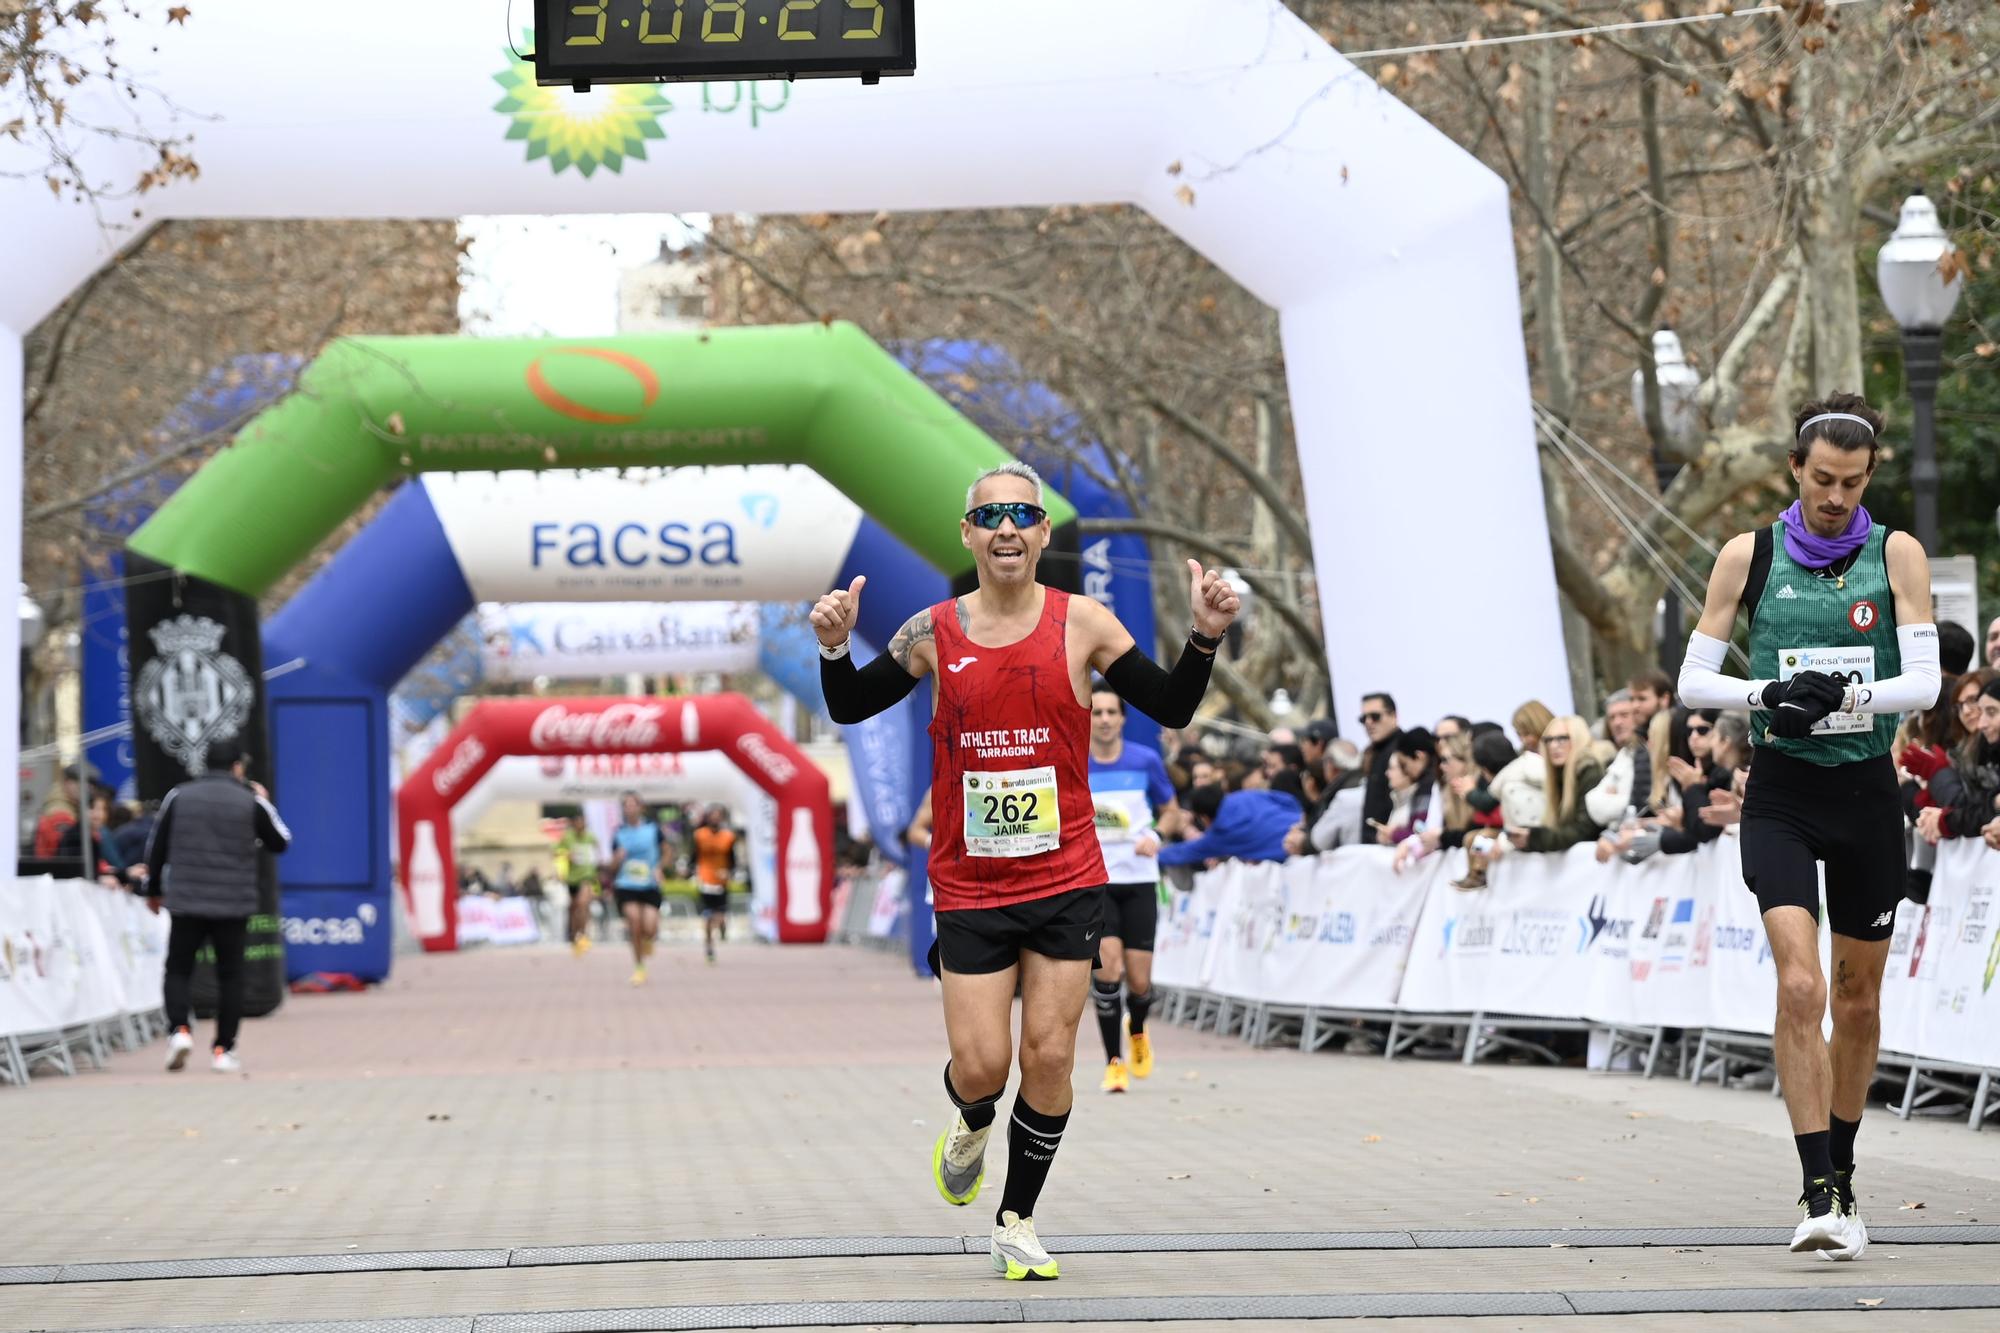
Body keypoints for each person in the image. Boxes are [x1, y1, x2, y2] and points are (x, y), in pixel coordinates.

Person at [812, 460, 1235, 1282]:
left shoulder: (1084, 622)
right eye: (991, 515)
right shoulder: (933, 630)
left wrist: (1205, 635)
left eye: (1023, 515)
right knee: (984, 1068)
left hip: (1067, 873)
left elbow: (1172, 705)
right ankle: (970, 1121)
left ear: (1043, 533)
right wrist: (833, 647)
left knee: (1048, 1055)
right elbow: (851, 705)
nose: (1007, 527)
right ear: (968, 534)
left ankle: (1016, 1217)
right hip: (970, 884)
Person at [1677, 393, 1941, 1260]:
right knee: (1801, 987)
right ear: (1795, 469)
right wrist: (1770, 696)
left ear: (1871, 476)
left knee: (1858, 1000)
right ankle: (1817, 1188)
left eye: (1851, 482)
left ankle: (1847, 1163)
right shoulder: (1747, 555)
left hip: (1867, 793)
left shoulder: (1894, 551)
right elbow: (1692, 681)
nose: (1835, 496)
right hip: (1783, 793)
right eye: (1821, 479)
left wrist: (1850, 694)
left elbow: (1928, 684)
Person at [144, 741, 290, 1074]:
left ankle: (179, 1030)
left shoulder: (179, 796)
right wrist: (265, 803)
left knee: (178, 969)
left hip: (186, 900)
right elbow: (281, 841)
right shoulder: (250, 800)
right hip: (232, 904)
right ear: (237, 766)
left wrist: (153, 890)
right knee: (231, 976)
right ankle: (224, 1049)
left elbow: (157, 846)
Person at [1084, 685, 1180, 1094]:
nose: (1104, 719)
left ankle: (1137, 1028)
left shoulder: (1145, 760)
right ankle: (1114, 1062)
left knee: (1140, 982)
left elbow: (1172, 812)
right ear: (1087, 717)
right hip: (1096, 881)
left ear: (1122, 719)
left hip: (1140, 879)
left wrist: (1157, 836)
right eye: (1097, 712)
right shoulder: (1073, 761)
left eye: (1111, 713)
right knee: (1108, 969)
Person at [1505, 714, 1605, 854]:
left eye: (1562, 739)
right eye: (1549, 740)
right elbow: (1561, 829)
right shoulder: (1558, 776)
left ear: (1578, 739)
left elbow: (1584, 831)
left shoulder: (1590, 771)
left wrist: (1534, 838)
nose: (1553, 745)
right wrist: (1528, 835)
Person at [608, 792, 666, 986]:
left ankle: (648, 940)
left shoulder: (653, 829)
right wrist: (616, 860)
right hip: (626, 884)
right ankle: (639, 968)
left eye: (633, 805)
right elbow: (612, 866)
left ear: (641, 807)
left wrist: (659, 867)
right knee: (634, 923)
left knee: (649, 928)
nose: (630, 808)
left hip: (649, 884)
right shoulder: (619, 833)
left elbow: (667, 852)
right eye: (626, 805)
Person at [692, 805, 738, 965]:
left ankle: (722, 926)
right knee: (708, 916)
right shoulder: (700, 835)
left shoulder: (728, 837)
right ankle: (709, 945)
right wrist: (691, 870)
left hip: (721, 880)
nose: (715, 818)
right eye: (713, 815)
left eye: (718, 815)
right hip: (705, 878)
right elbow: (694, 856)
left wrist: (729, 872)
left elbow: (733, 860)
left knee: (719, 915)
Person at [1355, 693, 1403, 844]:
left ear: (1393, 715)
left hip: (1394, 844)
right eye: (1363, 719)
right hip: (1374, 846)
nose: (1369, 722)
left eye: (1375, 716)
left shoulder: (1403, 749)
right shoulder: (1373, 753)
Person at [555, 813, 601, 957]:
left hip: (587, 877)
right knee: (575, 908)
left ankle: (583, 934)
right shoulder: (567, 837)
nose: (581, 825)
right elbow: (556, 852)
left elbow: (597, 853)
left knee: (583, 903)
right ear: (573, 824)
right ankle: (575, 934)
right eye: (578, 822)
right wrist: (566, 856)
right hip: (572, 879)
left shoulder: (590, 837)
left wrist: (598, 875)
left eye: (583, 822)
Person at [33, 761, 96, 859]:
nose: (87, 789)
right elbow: (69, 852)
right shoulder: (61, 813)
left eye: (90, 785)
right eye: (81, 783)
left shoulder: (71, 806)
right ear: (67, 783)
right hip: (59, 871)